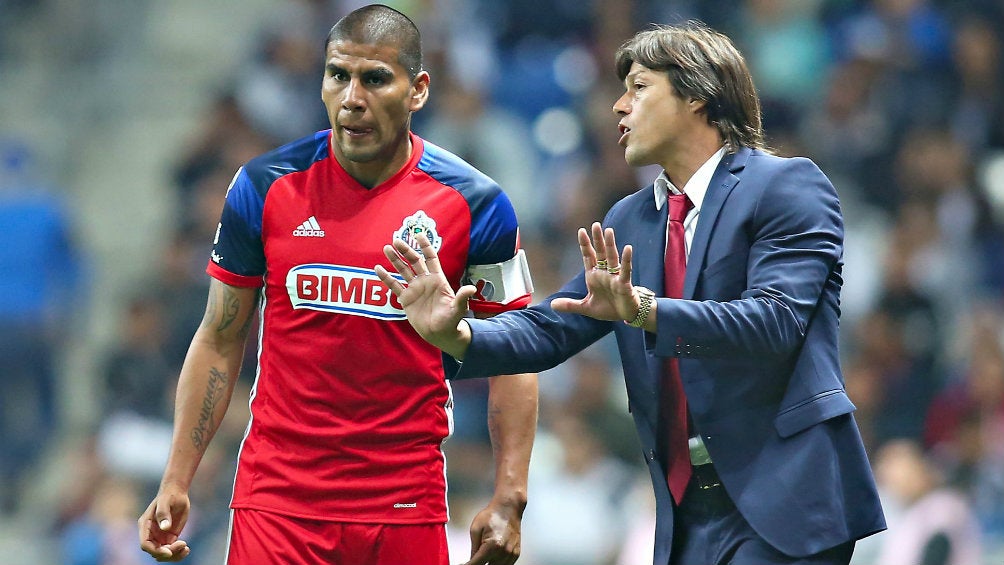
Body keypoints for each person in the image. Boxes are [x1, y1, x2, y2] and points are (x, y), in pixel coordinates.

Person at [377, 21, 886, 565]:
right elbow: (552, 326)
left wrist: (644, 310)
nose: (618, 107)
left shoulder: (786, 186)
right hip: (685, 513)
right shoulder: (633, 218)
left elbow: (774, 323)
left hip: (785, 501)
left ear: (696, 94)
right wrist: (455, 334)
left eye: (639, 87)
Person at [137, 5, 538, 565]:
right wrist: (177, 477)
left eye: (375, 78)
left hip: (403, 504)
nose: (352, 96)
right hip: (277, 504)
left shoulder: (478, 205)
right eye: (337, 75)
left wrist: (509, 497)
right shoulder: (263, 187)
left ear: (418, 89)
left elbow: (516, 354)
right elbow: (219, 336)